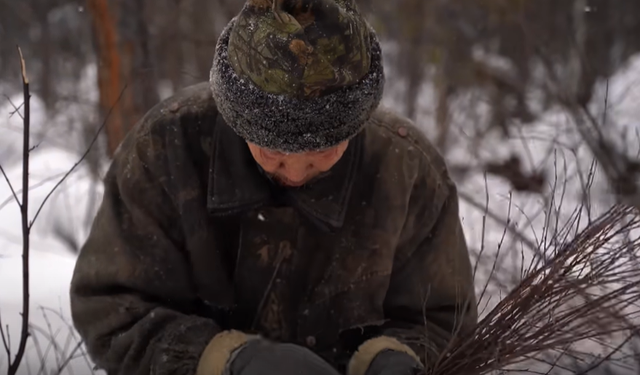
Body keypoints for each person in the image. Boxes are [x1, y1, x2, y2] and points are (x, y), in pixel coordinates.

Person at [69, 0, 478, 374]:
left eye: (324, 151)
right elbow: (112, 309)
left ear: (357, 126)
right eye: (272, 152)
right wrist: (225, 361)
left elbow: (443, 319)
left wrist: (394, 359)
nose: (296, 174)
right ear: (235, 120)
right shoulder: (166, 150)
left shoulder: (406, 171)